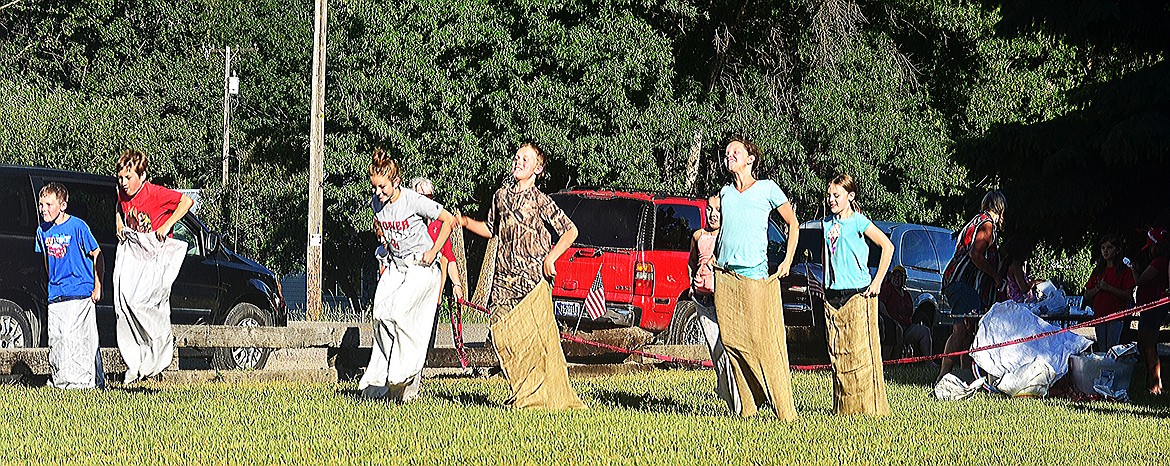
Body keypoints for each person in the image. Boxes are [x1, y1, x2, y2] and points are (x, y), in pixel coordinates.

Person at [458, 142, 585, 410]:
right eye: (517, 157)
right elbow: (491, 229)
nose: (518, 162)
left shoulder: (541, 200)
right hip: (503, 282)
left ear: (537, 168)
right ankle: (524, 391)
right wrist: (466, 222)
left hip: (532, 283)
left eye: (525, 159)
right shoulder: (500, 196)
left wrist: (551, 258)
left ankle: (537, 396)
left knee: (537, 345)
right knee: (504, 338)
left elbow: (570, 231)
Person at [711, 136, 799, 420]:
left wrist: (787, 260)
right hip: (724, 278)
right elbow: (725, 229)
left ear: (750, 159)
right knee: (733, 343)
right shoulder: (724, 193)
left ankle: (784, 410)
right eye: (726, 153)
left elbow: (793, 223)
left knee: (762, 343)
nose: (729, 156)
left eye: (736, 151)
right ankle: (748, 407)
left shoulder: (767, 189)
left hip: (755, 278)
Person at [358, 149, 457, 401]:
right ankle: (380, 378)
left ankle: (404, 374)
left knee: (399, 314)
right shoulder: (376, 203)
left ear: (396, 182)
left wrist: (434, 251)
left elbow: (448, 220)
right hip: (397, 266)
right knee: (380, 314)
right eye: (374, 188)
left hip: (422, 268)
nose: (378, 193)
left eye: (382, 188)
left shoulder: (413, 200)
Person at [114, 149, 194, 383]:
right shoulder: (121, 193)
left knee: (142, 303)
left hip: (155, 253)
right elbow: (119, 208)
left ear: (142, 176)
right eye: (121, 178)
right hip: (135, 251)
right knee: (124, 305)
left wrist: (167, 224)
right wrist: (119, 224)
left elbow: (186, 201)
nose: (124, 183)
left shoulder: (155, 193)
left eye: (129, 178)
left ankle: (159, 351)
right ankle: (135, 361)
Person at [820, 174, 893, 416]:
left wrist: (878, 281)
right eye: (829, 195)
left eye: (836, 195)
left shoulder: (860, 222)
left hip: (858, 293)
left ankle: (868, 408)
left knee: (860, 356)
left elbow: (887, 247)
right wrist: (824, 282)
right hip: (833, 294)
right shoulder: (827, 225)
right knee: (838, 356)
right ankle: (843, 408)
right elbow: (826, 256)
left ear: (850, 197)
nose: (831, 199)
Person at [35, 183, 106, 389]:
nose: (44, 209)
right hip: (57, 293)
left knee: (78, 338)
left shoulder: (78, 227)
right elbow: (48, 261)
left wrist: (98, 285)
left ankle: (85, 381)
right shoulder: (42, 230)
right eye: (41, 205)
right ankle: (61, 379)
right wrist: (53, 282)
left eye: (49, 204)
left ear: (63, 205)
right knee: (58, 338)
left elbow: (97, 254)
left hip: (79, 292)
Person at [937, 191, 1005, 381]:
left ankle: (966, 375)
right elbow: (976, 254)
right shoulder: (986, 224)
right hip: (963, 283)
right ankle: (943, 375)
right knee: (961, 330)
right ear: (1000, 208)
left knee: (967, 330)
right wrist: (995, 276)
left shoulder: (975, 221)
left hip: (958, 282)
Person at [688, 194, 738, 412]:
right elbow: (691, 262)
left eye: (717, 210)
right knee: (716, 351)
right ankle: (727, 395)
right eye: (709, 209)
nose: (713, 214)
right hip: (702, 299)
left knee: (728, 350)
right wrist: (692, 282)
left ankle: (738, 404)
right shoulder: (698, 235)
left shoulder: (728, 236)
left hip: (723, 299)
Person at [410, 177, 465, 302]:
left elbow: (449, 257)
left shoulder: (440, 226)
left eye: (429, 197)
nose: (425, 201)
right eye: (420, 197)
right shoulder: (408, 225)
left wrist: (457, 285)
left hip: (432, 294)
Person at [1084, 234, 1136, 352]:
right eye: (1103, 248)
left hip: (1116, 316)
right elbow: (1087, 294)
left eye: (1109, 247)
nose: (1105, 251)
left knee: (1113, 348)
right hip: (1099, 315)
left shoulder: (1124, 271)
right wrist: (1097, 289)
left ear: (1117, 250)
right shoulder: (1098, 271)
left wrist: (1109, 288)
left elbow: (1128, 295)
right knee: (1102, 348)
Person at [1134, 228, 1168, 394]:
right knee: (1147, 345)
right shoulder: (1162, 262)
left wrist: (1133, 269)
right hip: (1150, 307)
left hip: (1152, 308)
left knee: (1148, 346)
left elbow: (1140, 280)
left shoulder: (1158, 262)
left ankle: (1154, 385)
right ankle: (1155, 382)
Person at [879, 266, 932, 358]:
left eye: (899, 276)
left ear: (904, 279)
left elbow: (910, 313)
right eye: (894, 276)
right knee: (897, 330)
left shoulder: (907, 295)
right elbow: (881, 304)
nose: (896, 279)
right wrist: (891, 320)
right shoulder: (887, 289)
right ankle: (895, 361)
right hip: (892, 326)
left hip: (907, 327)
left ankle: (929, 361)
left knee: (925, 331)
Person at [998, 235, 1036, 303]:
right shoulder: (1015, 266)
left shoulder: (1007, 263)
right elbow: (1024, 289)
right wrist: (1034, 282)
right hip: (1019, 303)